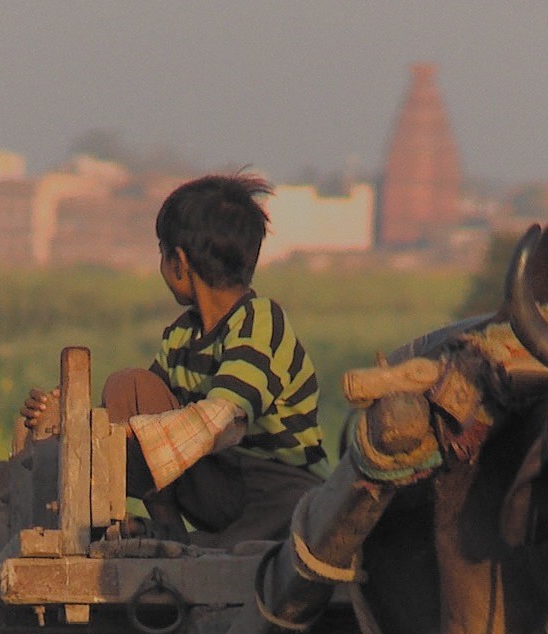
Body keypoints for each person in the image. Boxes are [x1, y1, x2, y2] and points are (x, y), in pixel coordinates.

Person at [21, 174, 327, 548]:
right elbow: (139, 408)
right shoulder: (181, 336)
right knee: (128, 386)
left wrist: (124, 435)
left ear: (178, 262)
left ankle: (197, 546)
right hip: (216, 487)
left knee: (276, 525)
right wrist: (65, 418)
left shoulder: (261, 321)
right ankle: (170, 529)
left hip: (278, 487)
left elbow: (225, 418)